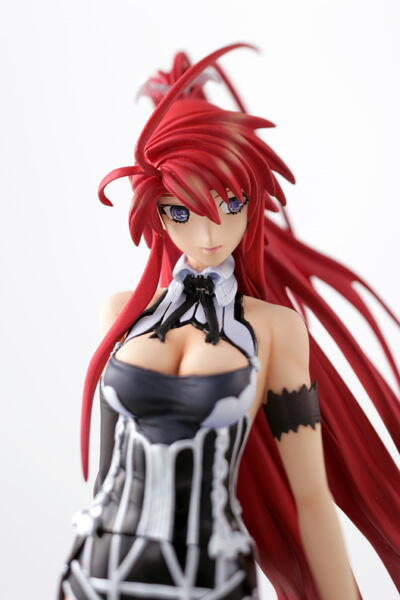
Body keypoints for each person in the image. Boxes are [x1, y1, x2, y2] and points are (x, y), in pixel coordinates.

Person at [58, 42, 400, 600]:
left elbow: (311, 498)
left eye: (231, 204)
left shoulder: (275, 329)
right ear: (154, 211)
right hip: (101, 571)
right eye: (181, 211)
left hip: (209, 577)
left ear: (253, 201)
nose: (209, 233)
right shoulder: (120, 313)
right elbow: (107, 473)